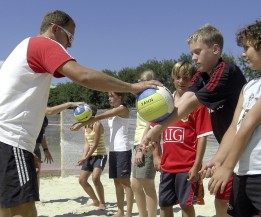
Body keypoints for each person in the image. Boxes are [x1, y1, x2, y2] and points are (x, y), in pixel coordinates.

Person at [0, 10, 159, 217]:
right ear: (55, 29)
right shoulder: (43, 44)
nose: (70, 45)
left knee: (8, 207)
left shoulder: (23, 48)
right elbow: (82, 75)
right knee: (23, 209)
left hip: (8, 140)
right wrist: (131, 86)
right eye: (70, 36)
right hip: (12, 140)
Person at [140, 24, 247, 217]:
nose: (193, 58)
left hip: (245, 146)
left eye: (197, 52)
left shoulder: (225, 72)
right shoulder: (201, 75)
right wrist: (155, 130)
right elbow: (186, 99)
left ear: (215, 49)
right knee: (222, 202)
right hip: (229, 146)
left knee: (237, 204)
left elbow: (194, 102)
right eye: (191, 53)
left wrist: (159, 128)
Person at [202, 18, 261, 217]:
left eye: (247, 47)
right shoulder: (249, 86)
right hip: (243, 172)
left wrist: (227, 166)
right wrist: (217, 160)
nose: (243, 54)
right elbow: (234, 127)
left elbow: (250, 122)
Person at [153, 61, 213, 217]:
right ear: (173, 78)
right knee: (165, 204)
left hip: (187, 166)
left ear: (193, 80)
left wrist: (196, 165)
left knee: (186, 205)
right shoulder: (164, 103)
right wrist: (156, 155)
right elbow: (155, 132)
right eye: (178, 77)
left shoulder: (197, 104)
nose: (181, 81)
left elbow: (202, 137)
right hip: (167, 166)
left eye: (186, 78)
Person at [71, 92, 134, 217]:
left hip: (123, 149)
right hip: (113, 150)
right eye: (108, 96)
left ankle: (129, 213)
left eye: (112, 96)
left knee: (125, 183)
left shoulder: (122, 109)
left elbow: (102, 116)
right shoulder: (113, 110)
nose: (109, 99)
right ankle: (120, 211)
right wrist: (83, 122)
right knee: (116, 182)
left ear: (120, 97)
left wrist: (81, 124)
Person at [34, 102, 82, 189]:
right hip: (26, 146)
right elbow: (50, 111)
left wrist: (45, 149)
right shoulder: (34, 106)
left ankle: (35, 197)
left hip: (36, 147)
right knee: (27, 173)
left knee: (37, 172)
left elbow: (42, 133)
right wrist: (70, 104)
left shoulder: (41, 112)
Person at [131, 70, 158, 217]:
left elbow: (150, 124)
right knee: (135, 184)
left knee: (147, 183)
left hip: (146, 143)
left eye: (141, 81)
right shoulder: (141, 98)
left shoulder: (152, 98)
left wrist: (142, 148)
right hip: (138, 142)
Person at [77, 104, 107, 210]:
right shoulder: (84, 126)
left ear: (91, 113)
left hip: (100, 155)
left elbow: (95, 144)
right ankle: (95, 201)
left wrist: (86, 157)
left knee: (95, 178)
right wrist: (83, 157)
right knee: (82, 180)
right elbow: (86, 144)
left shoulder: (97, 124)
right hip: (90, 156)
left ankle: (102, 203)